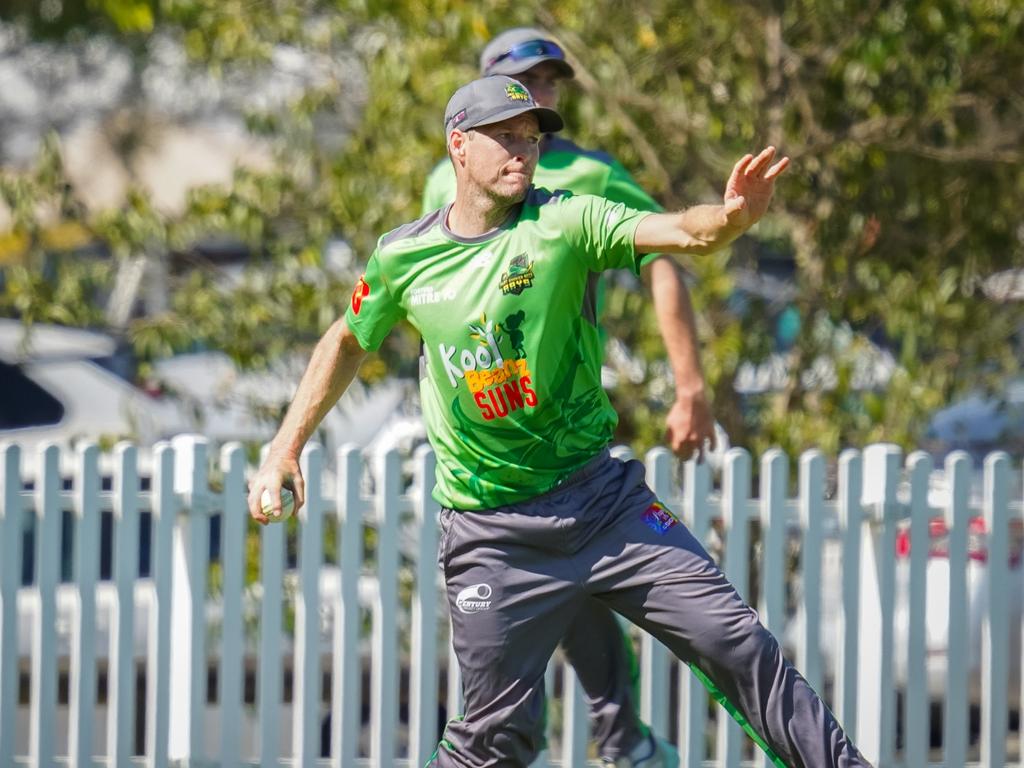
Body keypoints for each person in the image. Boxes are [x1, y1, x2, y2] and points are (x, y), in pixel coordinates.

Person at [249, 75, 870, 768]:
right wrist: (284, 448)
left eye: (533, 138)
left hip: (603, 505)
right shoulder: (403, 257)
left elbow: (681, 233)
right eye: (506, 137)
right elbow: (347, 339)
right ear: (458, 145)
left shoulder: (567, 222)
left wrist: (731, 219)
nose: (525, 151)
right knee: (492, 743)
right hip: (491, 534)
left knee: (739, 645)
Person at [420, 28, 751, 768]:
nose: (537, 96)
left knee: (586, 567)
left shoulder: (590, 179)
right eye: (522, 82)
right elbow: (431, 287)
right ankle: (602, 737)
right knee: (535, 608)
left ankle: (620, 734)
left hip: (568, 415)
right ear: (468, 122)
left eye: (548, 84)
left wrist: (689, 385)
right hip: (483, 450)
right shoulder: (447, 185)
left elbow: (667, 254)